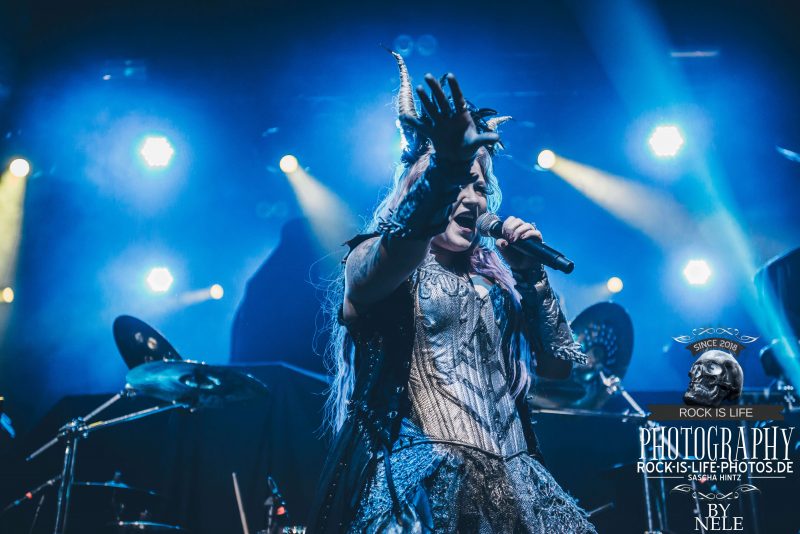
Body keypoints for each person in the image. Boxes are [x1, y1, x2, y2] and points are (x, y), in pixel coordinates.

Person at [308, 52, 596, 533]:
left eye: (480, 187)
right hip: (423, 491)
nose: (473, 197)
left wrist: (531, 277)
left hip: (517, 490)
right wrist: (446, 167)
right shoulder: (375, 257)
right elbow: (404, 244)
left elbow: (558, 367)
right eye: (460, 182)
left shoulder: (498, 281)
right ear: (420, 184)